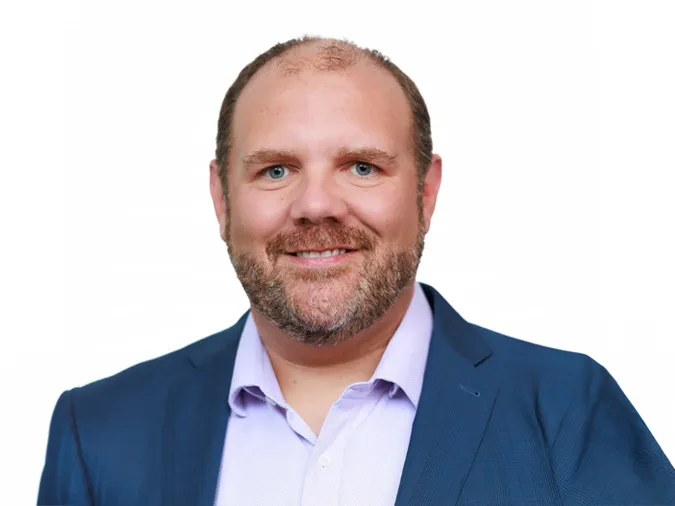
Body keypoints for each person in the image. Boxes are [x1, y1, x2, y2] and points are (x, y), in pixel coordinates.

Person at [38, 36, 675, 506]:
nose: (316, 205)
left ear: (426, 194)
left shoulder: (568, 412)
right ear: (221, 198)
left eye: (362, 166)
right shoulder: (98, 433)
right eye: (276, 170)